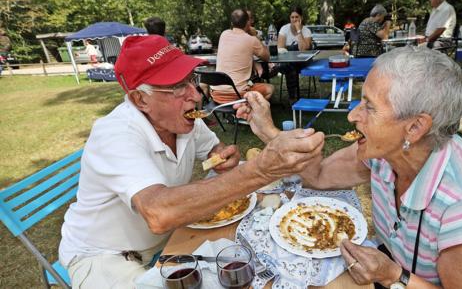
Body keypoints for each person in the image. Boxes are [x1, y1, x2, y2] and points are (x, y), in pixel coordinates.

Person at [236, 46, 462, 288]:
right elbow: (319, 175)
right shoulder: (384, 153)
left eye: (369, 106)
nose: (352, 116)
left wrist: (393, 276)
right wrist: (268, 132)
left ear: (414, 127)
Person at [58, 35, 324, 288]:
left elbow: (214, 150)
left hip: (170, 241)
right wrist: (260, 169)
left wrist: (221, 157)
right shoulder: (114, 134)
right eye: (176, 87)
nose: (195, 95)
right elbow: (158, 212)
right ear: (140, 99)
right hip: (104, 256)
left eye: (190, 80)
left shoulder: (185, 121)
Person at [212, 9, 273, 104]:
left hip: (216, 94)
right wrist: (254, 35)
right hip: (237, 94)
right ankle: (248, 112)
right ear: (248, 22)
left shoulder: (224, 34)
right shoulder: (251, 40)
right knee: (270, 89)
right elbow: (267, 57)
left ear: (232, 23)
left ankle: (235, 114)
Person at [277, 6, 313, 104]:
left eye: (296, 17)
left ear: (301, 18)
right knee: (290, 66)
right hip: (288, 61)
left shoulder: (306, 31)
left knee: (290, 66)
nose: (294, 19)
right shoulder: (284, 29)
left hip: (303, 62)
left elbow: (303, 49)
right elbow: (280, 48)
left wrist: (298, 31)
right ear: (289, 18)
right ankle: (293, 97)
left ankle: (292, 97)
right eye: (292, 17)